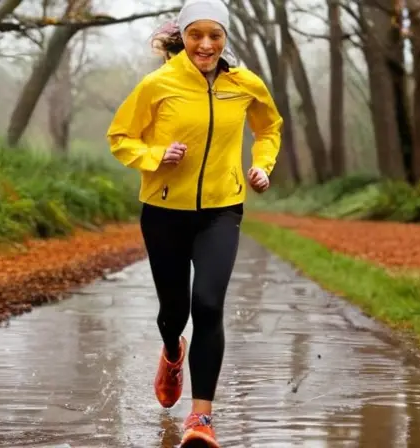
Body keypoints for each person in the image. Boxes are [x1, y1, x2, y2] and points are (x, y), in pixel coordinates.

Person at [106, 0, 283, 446]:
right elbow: (120, 137)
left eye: (214, 35)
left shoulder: (244, 84)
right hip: (164, 211)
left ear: (225, 38)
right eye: (196, 35)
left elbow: (269, 128)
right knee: (174, 314)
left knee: (207, 304)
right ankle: (172, 353)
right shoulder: (158, 84)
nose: (205, 44)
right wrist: (155, 156)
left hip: (222, 210)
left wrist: (262, 165)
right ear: (183, 38)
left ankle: (201, 418)